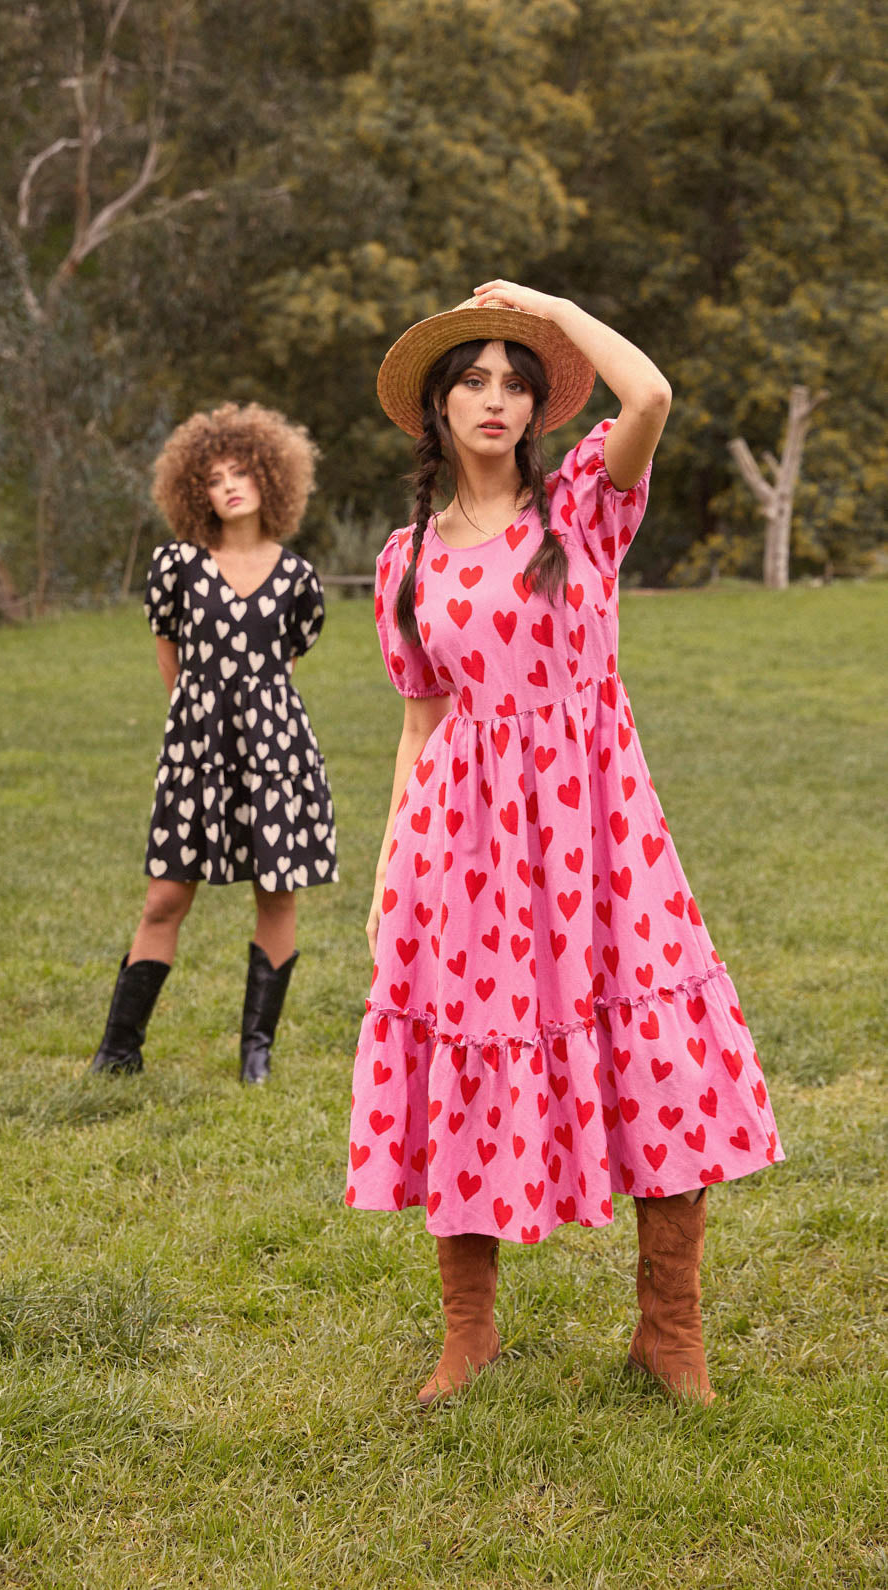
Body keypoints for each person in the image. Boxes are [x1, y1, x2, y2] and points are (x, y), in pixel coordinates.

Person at [347, 282, 783, 1407]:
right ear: (435, 410)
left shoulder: (584, 505)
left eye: (513, 382)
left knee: (660, 1058)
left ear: (537, 409)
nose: (493, 400)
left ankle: (668, 1335)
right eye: (472, 381)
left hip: (600, 827)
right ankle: (468, 1333)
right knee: (463, 1060)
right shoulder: (405, 562)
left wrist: (543, 308)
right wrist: (395, 864)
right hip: (465, 845)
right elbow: (421, 722)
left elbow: (651, 391)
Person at [91, 401, 338, 1084]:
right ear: (194, 490)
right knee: (165, 898)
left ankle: (255, 1054)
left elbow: (280, 673)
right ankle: (118, 1052)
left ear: (270, 478)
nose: (229, 485)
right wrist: (195, 732)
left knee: (277, 895)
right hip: (194, 756)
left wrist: (258, 729)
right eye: (214, 476)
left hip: (276, 755)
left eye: (242, 472)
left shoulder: (298, 581)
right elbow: (172, 668)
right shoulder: (176, 567)